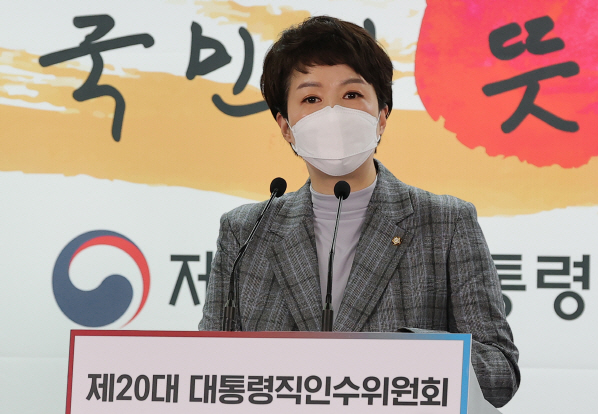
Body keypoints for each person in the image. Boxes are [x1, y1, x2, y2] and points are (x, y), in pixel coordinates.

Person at [199, 16, 519, 407]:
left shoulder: (445, 222)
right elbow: (207, 370)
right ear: (285, 127)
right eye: (311, 99)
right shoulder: (246, 232)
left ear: (381, 116)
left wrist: (411, 356)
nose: (332, 113)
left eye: (351, 95)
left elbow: (500, 373)